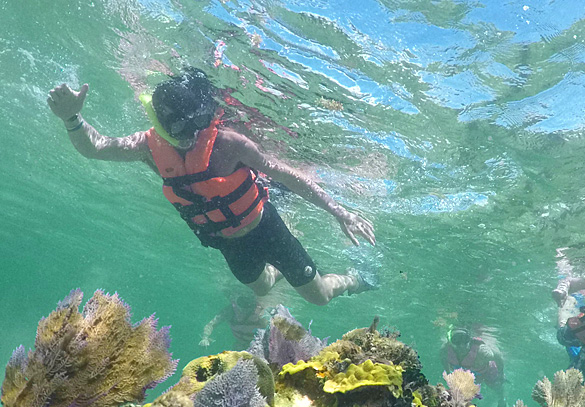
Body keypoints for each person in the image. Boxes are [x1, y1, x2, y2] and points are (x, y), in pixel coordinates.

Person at [47, 68, 376, 305]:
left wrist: (340, 212)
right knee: (261, 287)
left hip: (267, 229)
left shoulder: (230, 143)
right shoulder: (147, 146)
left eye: (199, 127)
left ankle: (350, 280)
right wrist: (71, 118)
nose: (193, 137)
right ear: (163, 123)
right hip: (226, 245)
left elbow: (287, 174)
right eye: (182, 130)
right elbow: (96, 148)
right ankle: (275, 272)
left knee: (318, 297)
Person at [439, 326, 506, 407]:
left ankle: (502, 402)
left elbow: (498, 356)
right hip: (470, 374)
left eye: (464, 340)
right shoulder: (445, 351)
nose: (461, 345)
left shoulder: (482, 352)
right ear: (450, 341)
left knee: (496, 386)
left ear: (469, 340)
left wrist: (500, 374)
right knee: (466, 394)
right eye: (456, 340)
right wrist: (448, 373)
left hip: (486, 371)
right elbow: (444, 360)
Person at [200, 293, 267, 350]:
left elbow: (272, 329)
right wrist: (205, 337)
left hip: (259, 347)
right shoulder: (230, 311)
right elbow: (211, 324)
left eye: (247, 304)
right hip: (239, 346)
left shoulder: (260, 313)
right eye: (241, 302)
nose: (243, 310)